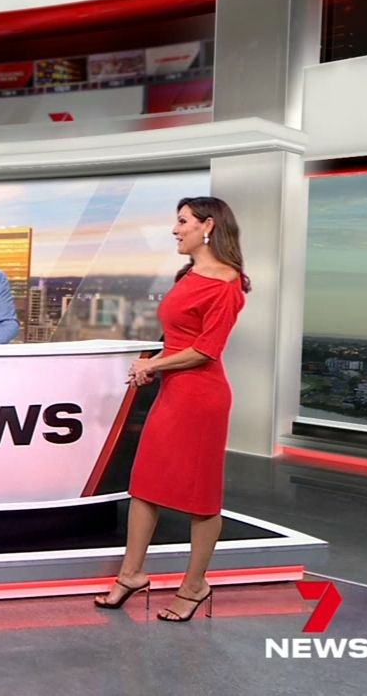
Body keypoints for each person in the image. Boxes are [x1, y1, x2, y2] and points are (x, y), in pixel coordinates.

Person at [93, 196, 250, 621]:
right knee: (145, 484)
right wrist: (157, 366)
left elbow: (206, 350)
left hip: (202, 399)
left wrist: (153, 365)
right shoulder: (190, 275)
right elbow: (181, 339)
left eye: (182, 221)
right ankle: (131, 574)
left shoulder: (227, 283)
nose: (175, 229)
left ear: (208, 226)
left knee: (201, 497)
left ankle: (195, 585)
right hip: (173, 393)